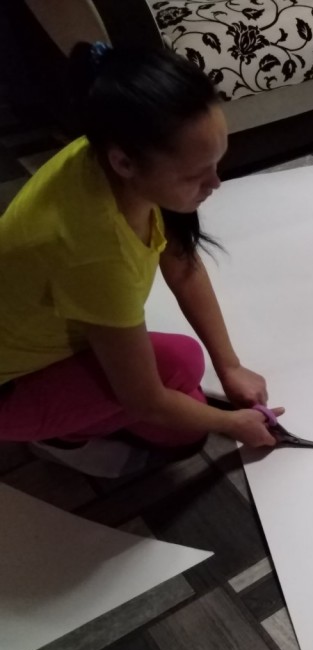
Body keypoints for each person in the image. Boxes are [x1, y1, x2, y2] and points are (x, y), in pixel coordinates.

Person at [0, 42, 282, 477]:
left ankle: (69, 415)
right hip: (9, 387)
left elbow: (182, 265)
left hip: (38, 337)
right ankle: (61, 439)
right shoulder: (93, 251)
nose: (216, 183)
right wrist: (232, 424)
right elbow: (145, 400)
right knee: (182, 429)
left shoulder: (111, 158)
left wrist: (229, 365)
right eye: (195, 174)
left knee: (184, 372)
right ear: (125, 163)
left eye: (215, 162)